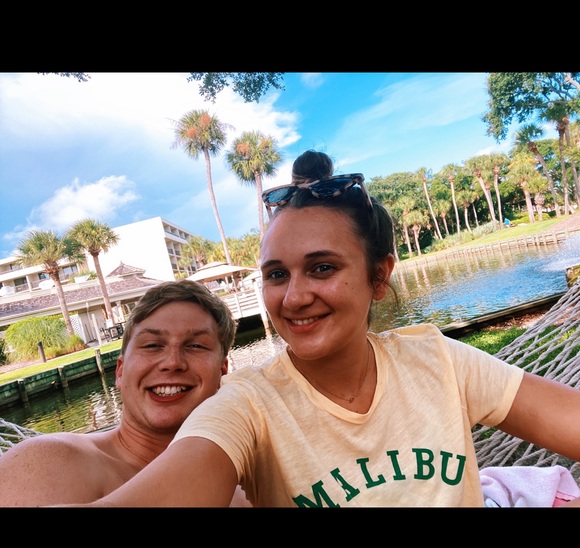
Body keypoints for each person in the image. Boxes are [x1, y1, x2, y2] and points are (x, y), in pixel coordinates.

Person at [61, 150, 580, 507]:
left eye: (322, 267)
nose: (293, 297)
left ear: (379, 276)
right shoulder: (247, 406)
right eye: (276, 274)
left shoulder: (439, 361)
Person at [0, 280, 251, 507]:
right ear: (120, 372)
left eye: (195, 346)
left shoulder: (246, 481)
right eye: (152, 345)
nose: (173, 362)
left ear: (223, 373)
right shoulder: (49, 463)